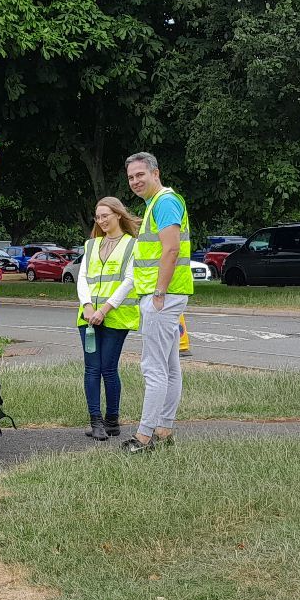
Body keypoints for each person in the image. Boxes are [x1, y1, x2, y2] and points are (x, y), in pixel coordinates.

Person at [123, 151, 193, 454]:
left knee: (153, 367)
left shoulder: (164, 202)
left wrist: (159, 294)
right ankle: (163, 430)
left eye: (141, 174)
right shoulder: (158, 203)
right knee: (169, 366)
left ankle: (144, 436)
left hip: (162, 297)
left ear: (156, 173)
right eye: (131, 177)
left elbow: (171, 250)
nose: (136, 181)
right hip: (167, 295)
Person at [76, 197, 141, 441]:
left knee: (108, 369)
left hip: (115, 317)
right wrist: (88, 306)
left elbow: (129, 280)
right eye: (98, 216)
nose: (101, 220)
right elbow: (83, 277)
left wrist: (105, 309)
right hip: (89, 317)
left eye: (106, 215)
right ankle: (96, 422)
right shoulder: (91, 244)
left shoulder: (132, 245)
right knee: (92, 369)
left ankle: (112, 420)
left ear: (118, 215)